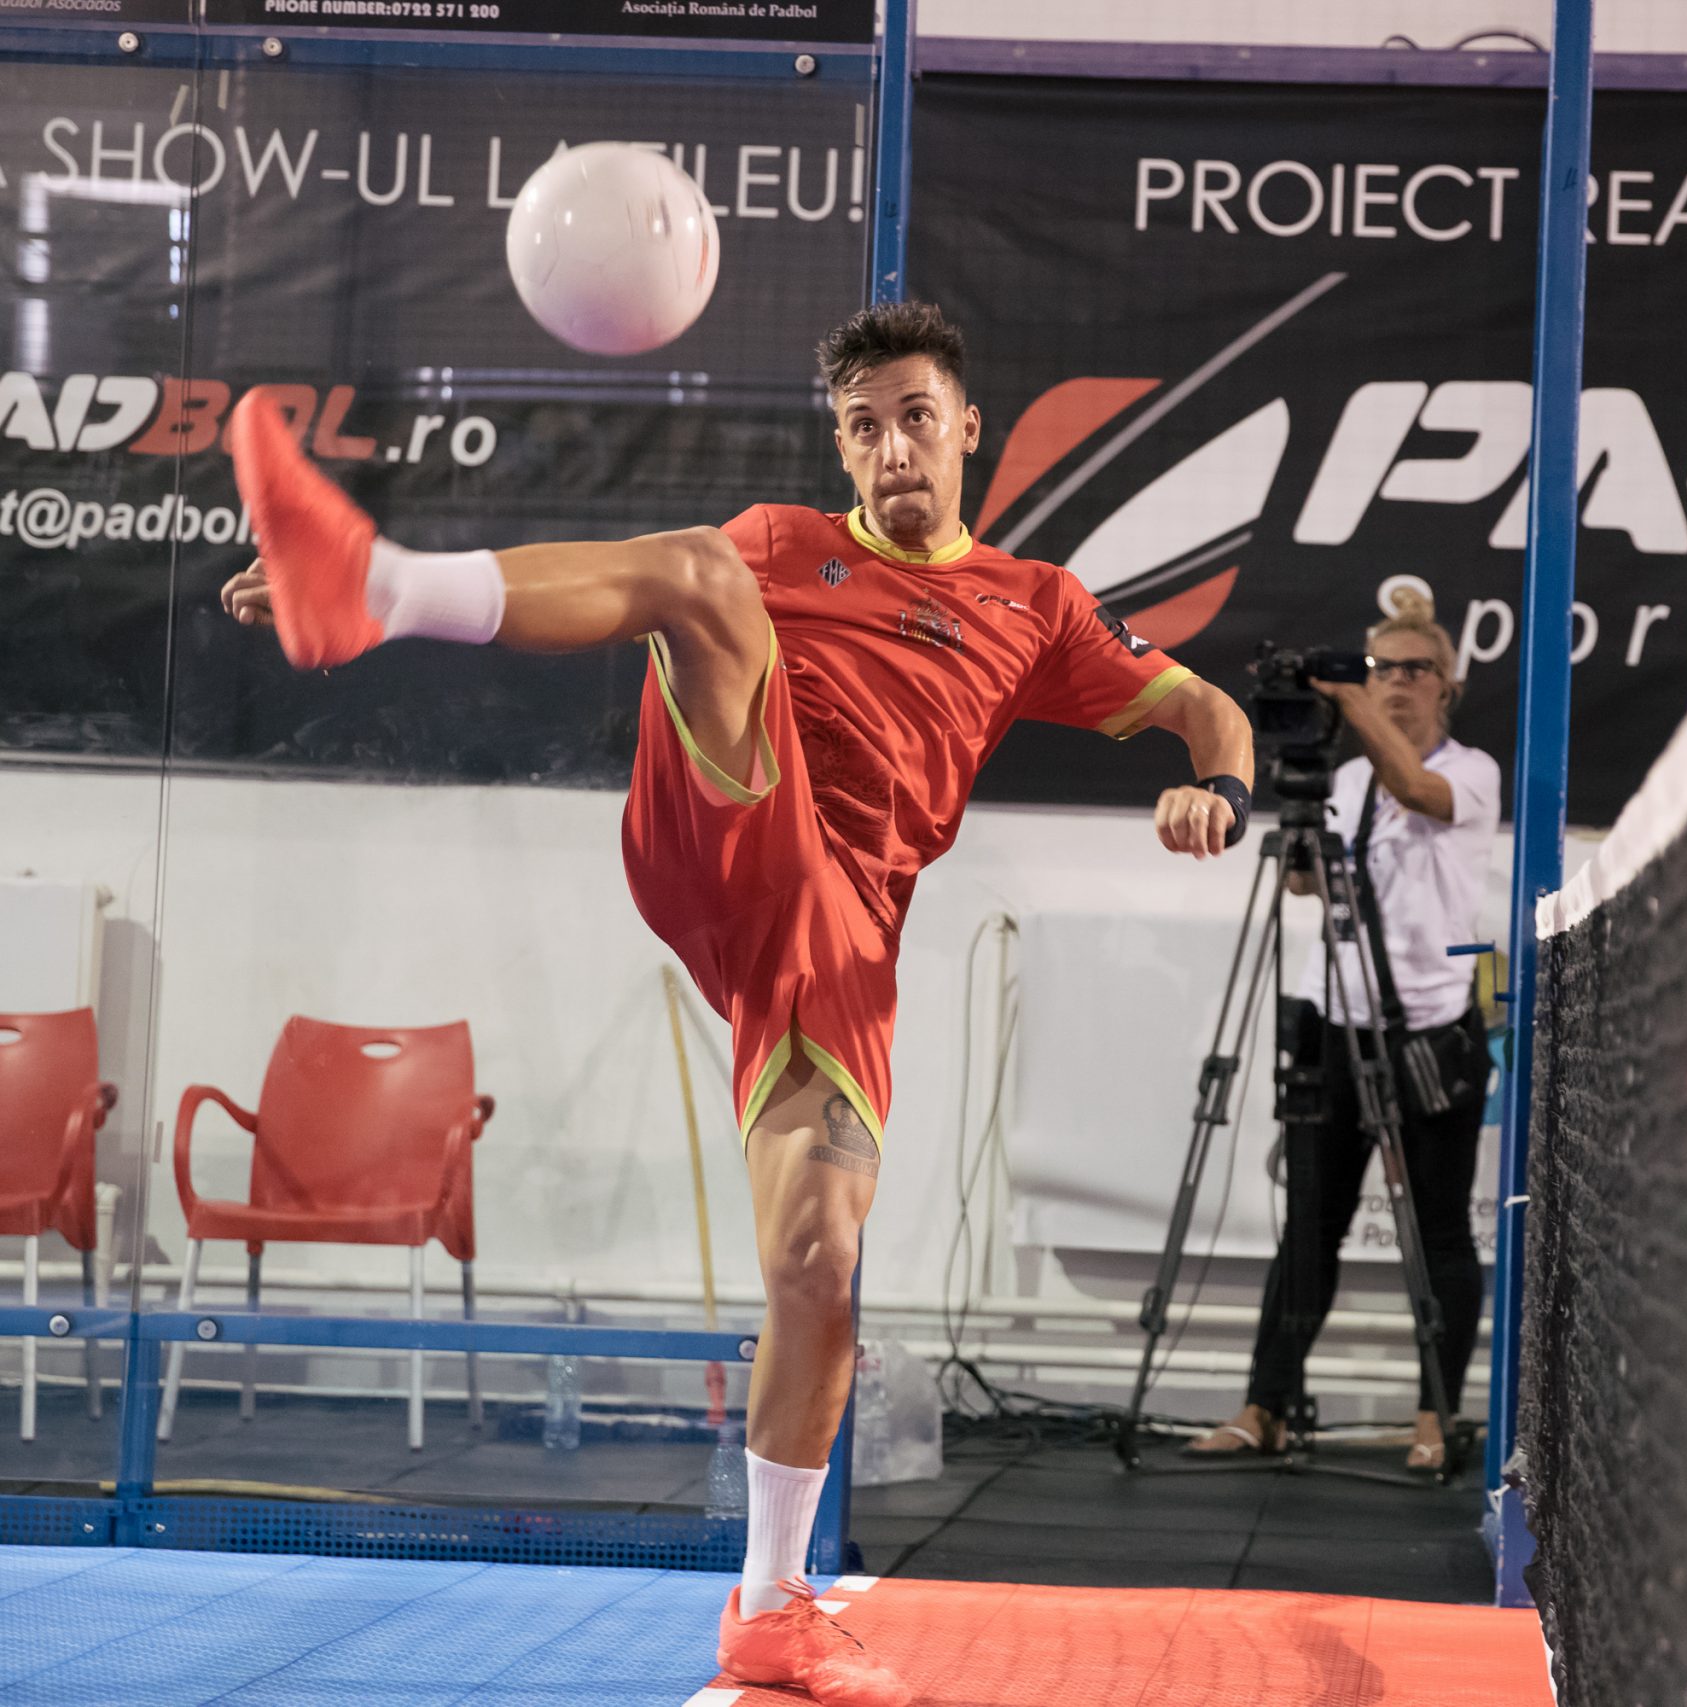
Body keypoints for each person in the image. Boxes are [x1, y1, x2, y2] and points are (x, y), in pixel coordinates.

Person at [218, 302, 1253, 1706]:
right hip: (729, 812)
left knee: (819, 1261)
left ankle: (770, 1606)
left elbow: (1205, 711)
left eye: (916, 418)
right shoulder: (783, 542)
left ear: (967, 429)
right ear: (844, 444)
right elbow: (656, 579)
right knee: (703, 571)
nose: (894, 448)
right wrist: (355, 583)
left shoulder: (1037, 605)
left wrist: (1217, 786)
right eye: (865, 426)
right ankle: (382, 587)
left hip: (841, 934)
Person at [1190, 593, 1500, 1472]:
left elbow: (1418, 789)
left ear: (1448, 685)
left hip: (1430, 1033)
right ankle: (1266, 1407)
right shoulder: (1349, 778)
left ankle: (1435, 1415)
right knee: (1310, 1228)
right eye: (1379, 669)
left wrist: (1349, 696)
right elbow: (1304, 885)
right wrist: (1298, 846)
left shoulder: (1472, 771)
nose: (1394, 683)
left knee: (1439, 1234)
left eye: (1413, 669)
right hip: (1338, 1022)